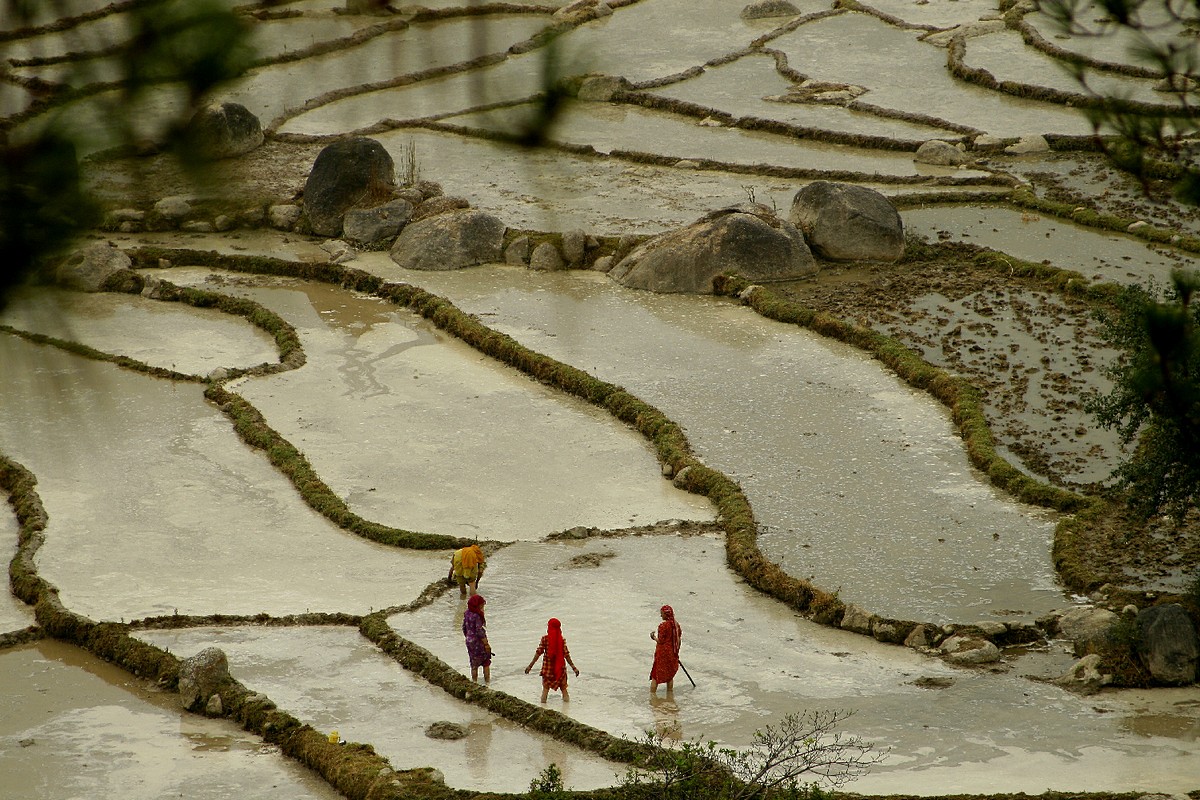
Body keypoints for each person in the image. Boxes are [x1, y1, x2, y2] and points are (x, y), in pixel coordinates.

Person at [525, 617, 579, 703]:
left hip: (548, 670)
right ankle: (567, 710)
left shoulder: (545, 639)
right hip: (560, 670)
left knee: (545, 691)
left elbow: (538, 653)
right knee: (564, 690)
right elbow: (566, 655)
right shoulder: (561, 640)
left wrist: (530, 666)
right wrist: (574, 667)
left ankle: (542, 708)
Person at [649, 604, 682, 695]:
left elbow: (661, 641)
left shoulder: (663, 626)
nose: (661, 615)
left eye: (662, 613)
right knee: (670, 675)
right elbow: (679, 639)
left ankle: (652, 696)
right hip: (673, 653)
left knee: (656, 675)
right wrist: (676, 652)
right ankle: (670, 694)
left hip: (663, 654)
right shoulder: (676, 625)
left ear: (666, 615)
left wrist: (653, 637)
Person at [462, 593, 492, 683]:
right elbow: (479, 631)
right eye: (481, 605)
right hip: (478, 642)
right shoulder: (477, 615)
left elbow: (464, 627)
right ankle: (487, 683)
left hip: (469, 641)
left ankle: (474, 682)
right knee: (486, 662)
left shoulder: (467, 613)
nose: (482, 607)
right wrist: (486, 644)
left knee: (474, 664)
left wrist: (468, 637)